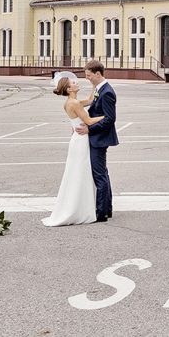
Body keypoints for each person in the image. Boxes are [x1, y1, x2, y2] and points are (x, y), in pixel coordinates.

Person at [41, 73, 102, 227]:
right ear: (69, 89)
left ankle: (79, 206)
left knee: (77, 173)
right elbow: (88, 121)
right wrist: (106, 117)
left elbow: (89, 101)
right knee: (80, 173)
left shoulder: (72, 102)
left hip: (77, 139)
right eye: (72, 82)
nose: (75, 82)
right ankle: (79, 209)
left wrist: (95, 85)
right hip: (80, 141)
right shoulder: (73, 103)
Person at [75, 59, 118, 223]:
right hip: (98, 137)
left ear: (98, 74)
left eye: (89, 75)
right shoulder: (100, 89)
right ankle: (106, 208)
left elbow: (109, 119)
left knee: (99, 175)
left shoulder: (107, 92)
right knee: (103, 174)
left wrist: (89, 129)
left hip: (99, 138)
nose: (87, 78)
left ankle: (101, 213)